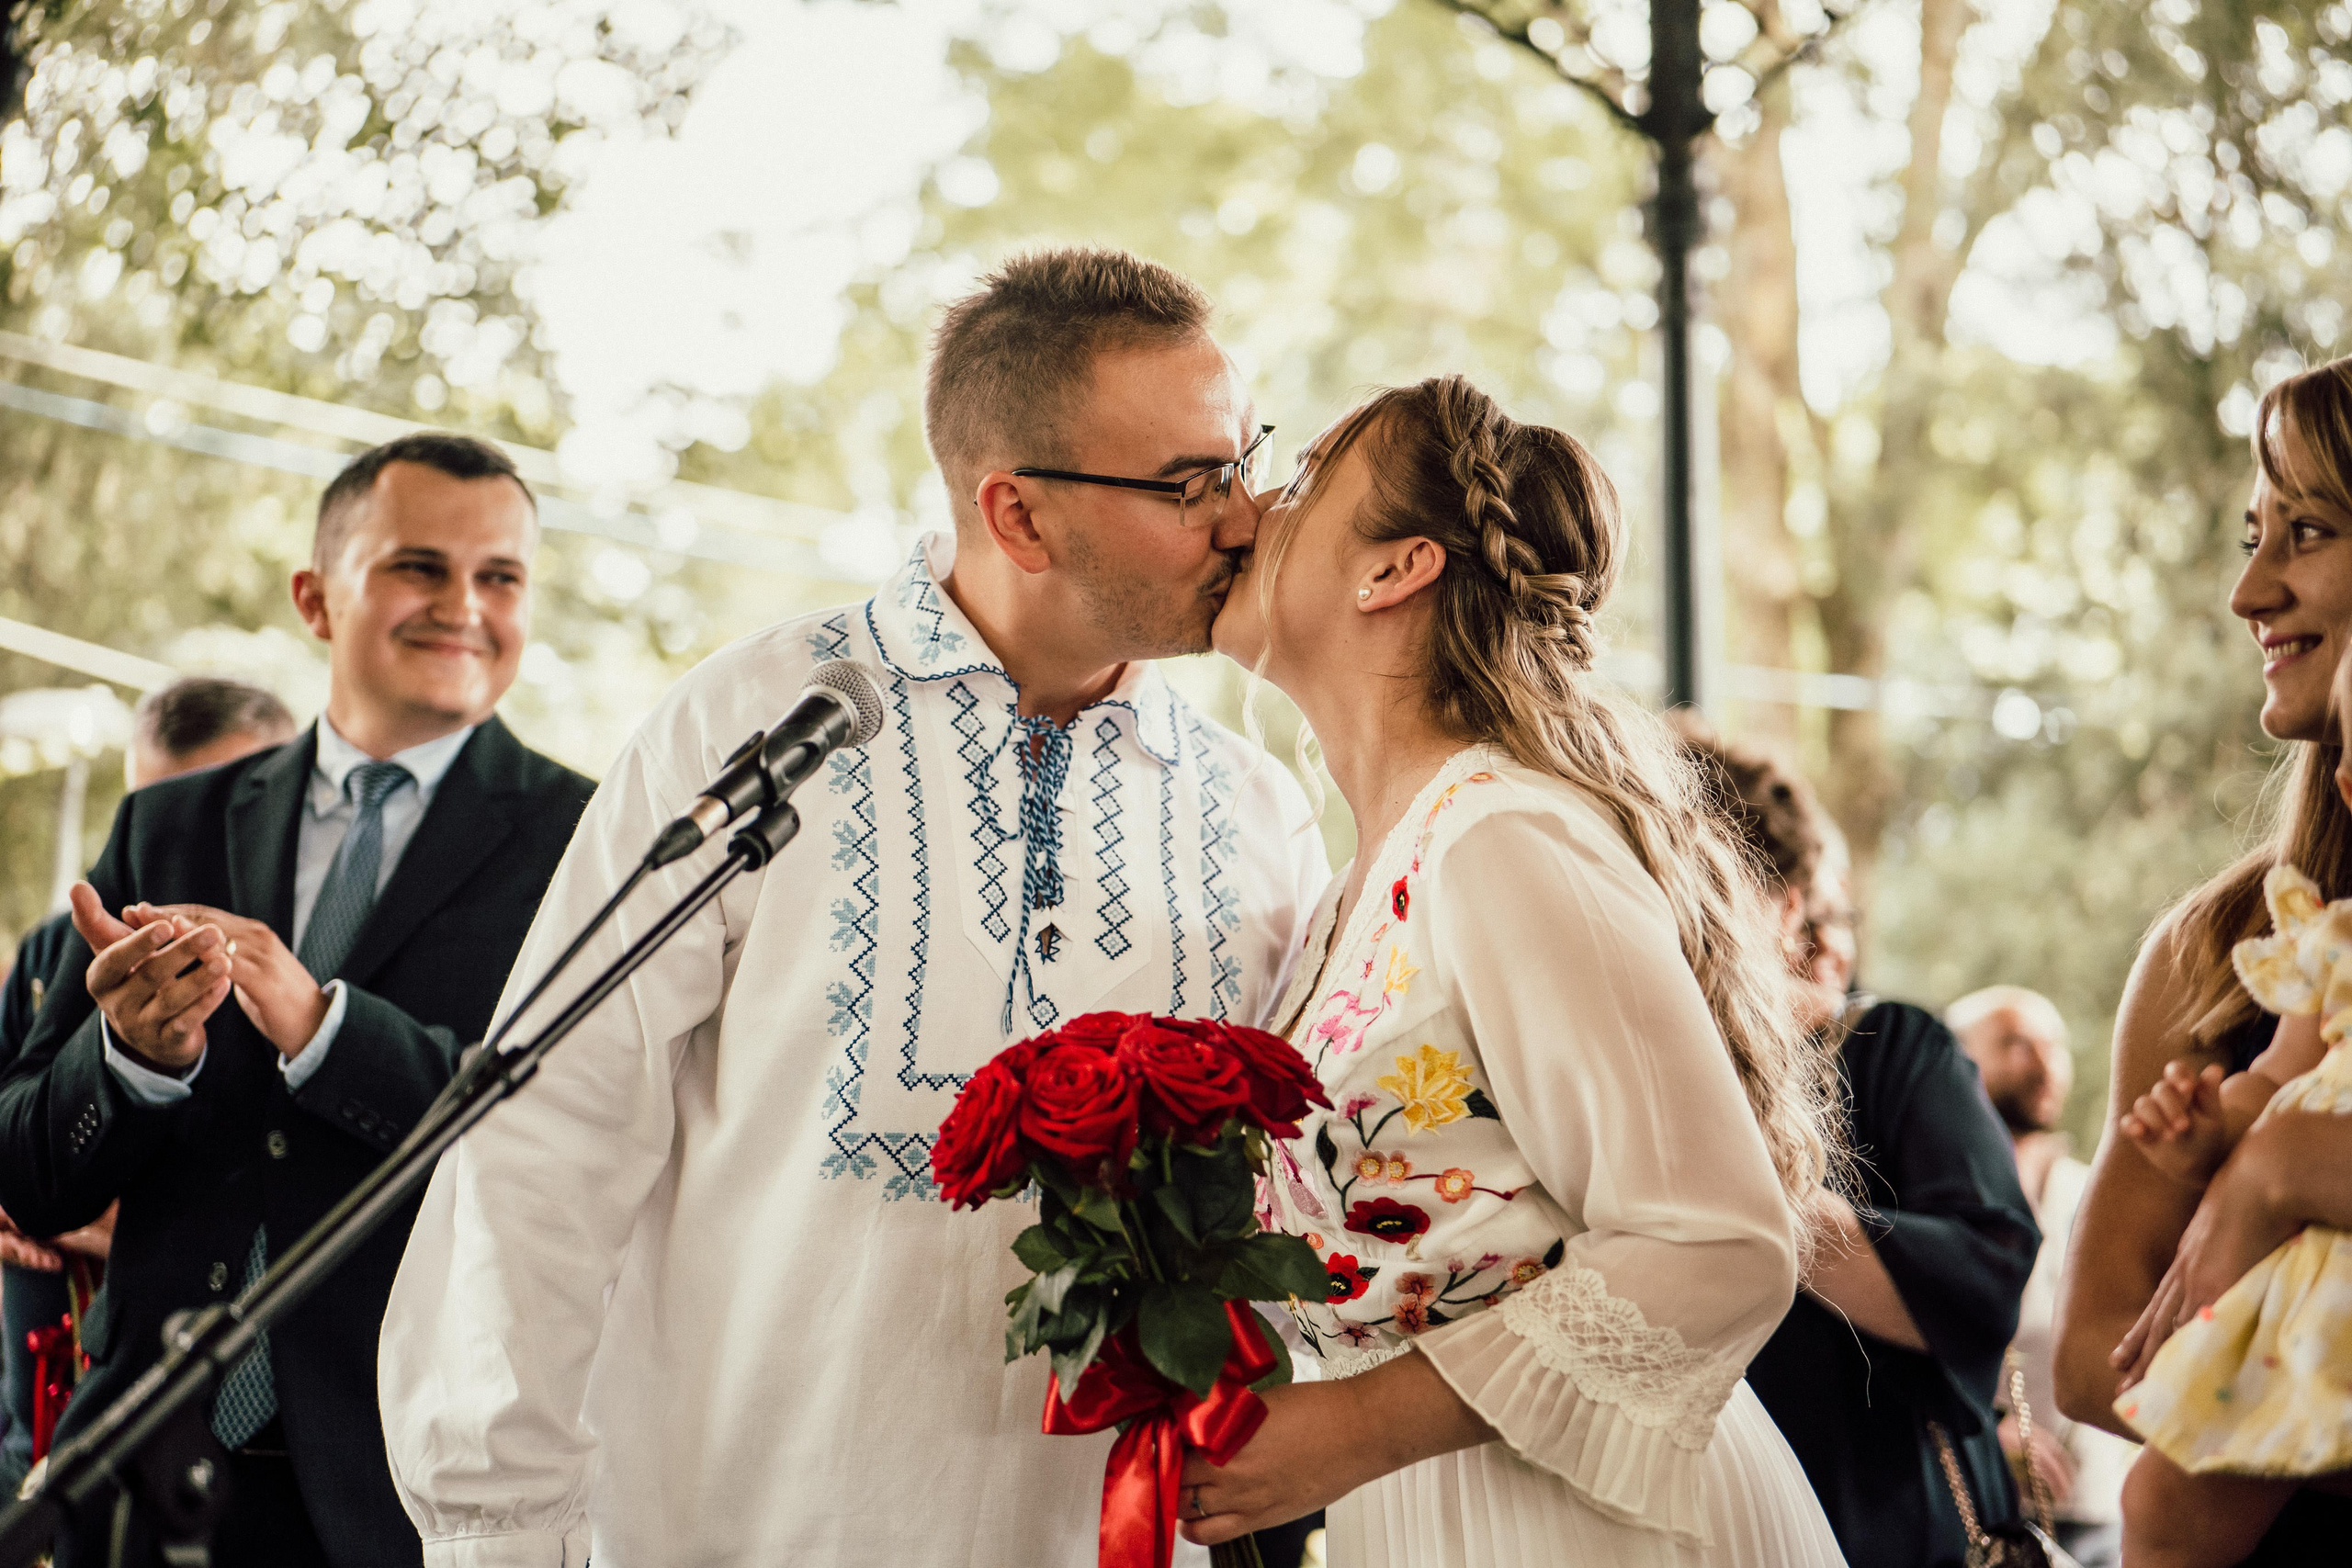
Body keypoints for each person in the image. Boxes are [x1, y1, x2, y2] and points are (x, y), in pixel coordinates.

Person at [377, 248, 1329, 1565]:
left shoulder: (1255, 805)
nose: (1243, 516)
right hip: (736, 1527)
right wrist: (496, 1536)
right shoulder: (755, 724)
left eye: (1242, 458)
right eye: (1189, 482)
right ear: (1020, 515)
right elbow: (545, 1145)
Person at [1171, 374, 1846, 1566]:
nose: (1252, 504)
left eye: (1308, 473)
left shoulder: (1501, 837)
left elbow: (1717, 1243)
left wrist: (1359, 1424)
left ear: (1395, 569)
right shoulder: (1362, 884)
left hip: (1591, 1521)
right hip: (1436, 1516)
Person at [0, 432, 595, 1567]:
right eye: (419, 566)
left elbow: (564, 1143)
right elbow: (29, 1170)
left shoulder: (585, 845)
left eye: (500, 577)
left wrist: (326, 1029)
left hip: (402, 1496)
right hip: (133, 1477)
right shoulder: (169, 823)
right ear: (316, 599)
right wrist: (130, 1062)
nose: (462, 605)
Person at [2053, 354, 2352, 1562]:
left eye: (2309, 530)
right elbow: (2089, 1357)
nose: (2248, 587)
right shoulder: (2219, 951)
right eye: (2252, 533)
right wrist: (2261, 1166)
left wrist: (2288, 1166)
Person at [1679, 726, 2041, 1568]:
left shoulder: (1887, 1047)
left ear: (1782, 902)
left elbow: (1988, 1277)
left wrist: (1739, 1183)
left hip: (1890, 1520)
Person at [0, 676, 297, 1494]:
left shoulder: (305, 964)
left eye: (214, 807)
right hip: (42, 1396)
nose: (174, 850)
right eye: (153, 812)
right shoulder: (51, 958)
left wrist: (127, 1217)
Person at [1948, 985, 2134, 1567]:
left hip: (2097, 1512)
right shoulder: (1935, 1207)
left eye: (2053, 1044)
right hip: (1976, 1510)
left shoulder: (2102, 1199)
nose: (2044, 1062)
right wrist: (1986, 1434)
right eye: (2015, 1043)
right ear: (1956, 1063)